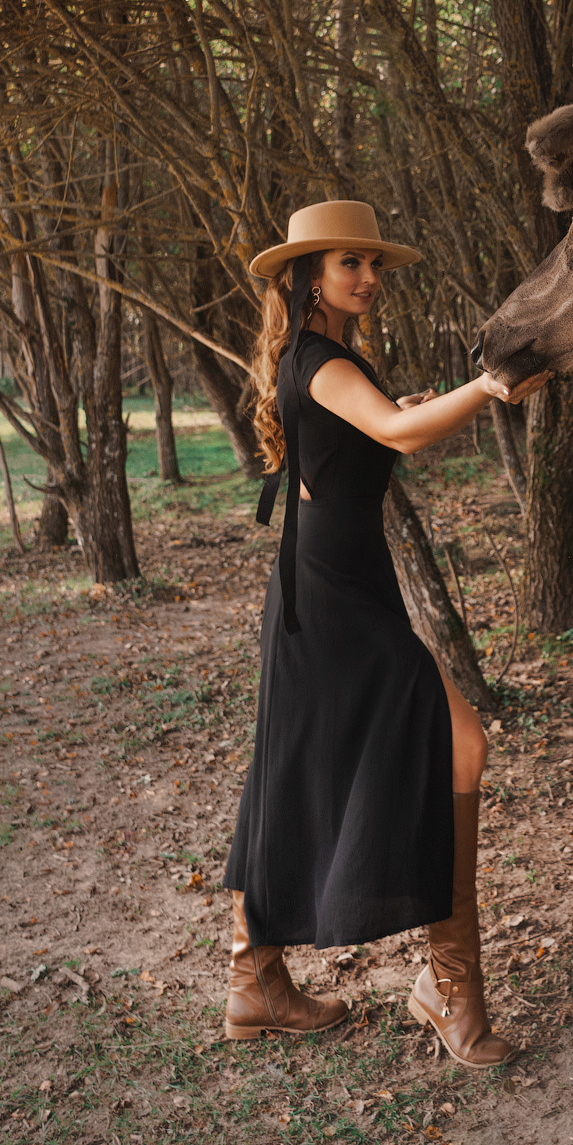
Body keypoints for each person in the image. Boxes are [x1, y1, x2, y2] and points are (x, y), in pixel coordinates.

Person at [221, 199, 548, 1065]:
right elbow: (398, 432)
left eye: (373, 264)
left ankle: (258, 979)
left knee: (300, 764)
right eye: (348, 265)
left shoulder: (326, 360)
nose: (368, 279)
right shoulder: (321, 360)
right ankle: (446, 989)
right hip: (331, 599)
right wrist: (485, 388)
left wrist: (419, 408)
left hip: (339, 588)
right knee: (456, 743)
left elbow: (366, 440)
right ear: (307, 277)